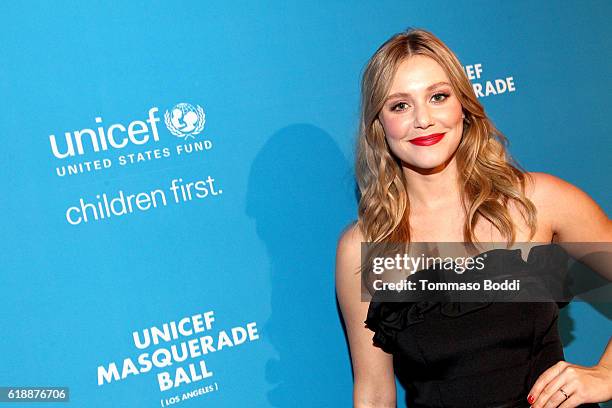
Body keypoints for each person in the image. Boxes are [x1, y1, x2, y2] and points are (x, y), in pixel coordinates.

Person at [335, 28, 612, 408]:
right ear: (379, 126)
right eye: (400, 105)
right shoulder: (365, 248)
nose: (423, 120)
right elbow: (374, 395)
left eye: (438, 97)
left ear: (463, 106)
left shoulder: (536, 201)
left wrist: (607, 373)